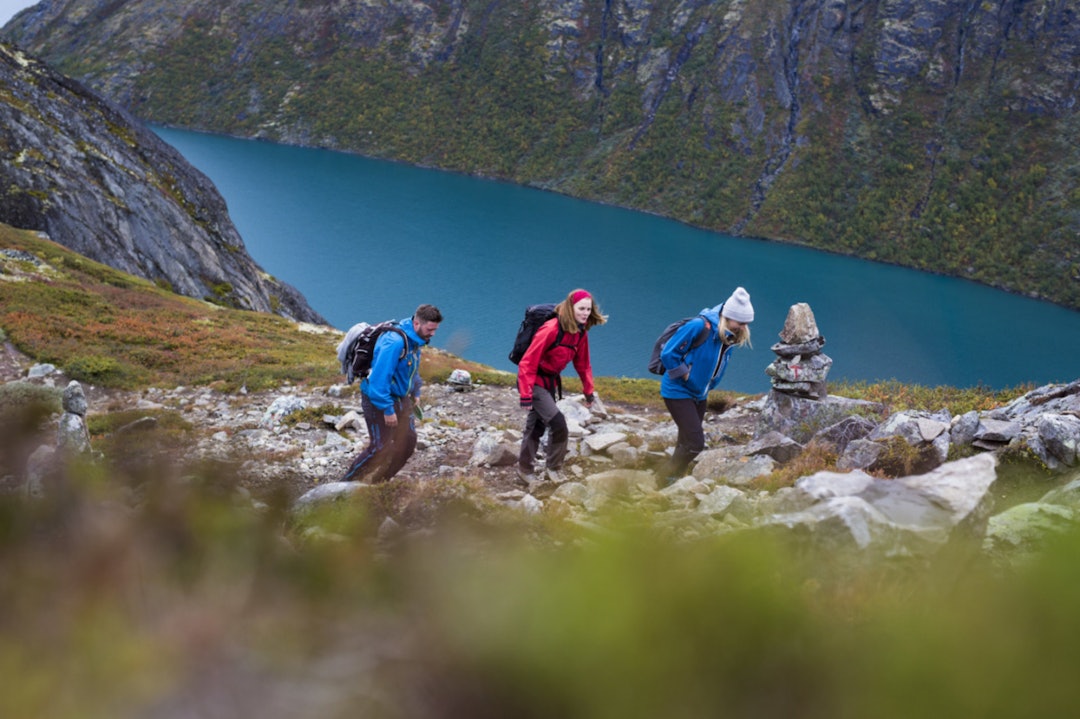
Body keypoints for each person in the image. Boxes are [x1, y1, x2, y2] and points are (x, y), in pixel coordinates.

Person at [658, 287, 753, 483]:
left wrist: (705, 386)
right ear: (728, 316)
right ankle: (662, 477)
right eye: (741, 322)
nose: (743, 327)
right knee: (695, 443)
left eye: (746, 323)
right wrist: (686, 377)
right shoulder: (699, 326)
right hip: (677, 391)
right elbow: (668, 353)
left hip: (700, 394)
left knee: (685, 440)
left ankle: (674, 478)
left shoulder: (728, 336)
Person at [341, 304, 443, 483]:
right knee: (380, 447)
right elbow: (379, 380)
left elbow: (412, 370)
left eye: (435, 330)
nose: (432, 334)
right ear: (417, 323)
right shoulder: (394, 342)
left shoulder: (415, 341)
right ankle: (344, 485)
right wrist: (387, 410)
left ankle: (379, 481)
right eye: (430, 329)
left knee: (408, 443)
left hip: (402, 399)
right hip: (379, 401)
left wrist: (415, 390)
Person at [517, 288, 607, 484]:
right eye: (581, 308)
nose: (585, 313)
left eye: (588, 309)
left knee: (536, 426)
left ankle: (524, 471)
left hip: (549, 382)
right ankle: (553, 468)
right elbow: (527, 362)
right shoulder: (550, 328)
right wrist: (525, 394)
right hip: (534, 382)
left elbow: (583, 364)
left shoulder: (580, 332)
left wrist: (589, 392)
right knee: (558, 424)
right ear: (570, 307)